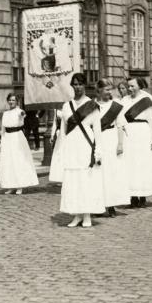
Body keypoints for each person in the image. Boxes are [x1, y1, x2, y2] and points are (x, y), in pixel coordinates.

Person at [58, 73, 105, 227]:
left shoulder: (92, 105)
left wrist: (98, 150)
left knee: (86, 180)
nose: (77, 87)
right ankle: (76, 215)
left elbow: (97, 131)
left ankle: (87, 215)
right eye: (75, 84)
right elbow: (63, 131)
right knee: (73, 180)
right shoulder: (66, 106)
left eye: (80, 84)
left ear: (85, 85)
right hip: (71, 146)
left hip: (86, 145)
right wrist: (62, 149)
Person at [120, 77, 152, 207]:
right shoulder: (124, 100)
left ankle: (143, 195)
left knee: (142, 163)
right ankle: (132, 195)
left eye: (132, 86)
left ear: (140, 86)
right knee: (130, 163)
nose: (130, 89)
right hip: (129, 132)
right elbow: (121, 118)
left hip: (143, 132)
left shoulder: (146, 101)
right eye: (129, 86)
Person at [95, 78, 129, 216]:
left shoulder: (115, 106)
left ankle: (112, 205)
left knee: (112, 172)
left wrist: (120, 144)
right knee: (98, 172)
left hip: (111, 138)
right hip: (96, 139)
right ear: (99, 90)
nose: (110, 92)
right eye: (107, 89)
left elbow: (120, 125)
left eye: (111, 89)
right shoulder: (92, 105)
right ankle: (98, 204)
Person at [0, 93, 39, 195]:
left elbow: (22, 115)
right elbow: (3, 129)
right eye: (10, 100)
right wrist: (2, 141)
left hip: (17, 137)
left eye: (13, 100)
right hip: (8, 138)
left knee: (18, 160)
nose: (11, 102)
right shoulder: (5, 114)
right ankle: (11, 186)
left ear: (17, 102)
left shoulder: (19, 111)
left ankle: (20, 185)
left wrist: (22, 114)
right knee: (9, 162)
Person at [48, 108, 65, 184]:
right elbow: (55, 123)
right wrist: (52, 135)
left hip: (69, 133)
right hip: (60, 134)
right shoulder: (56, 109)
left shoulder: (70, 105)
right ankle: (61, 177)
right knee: (59, 155)